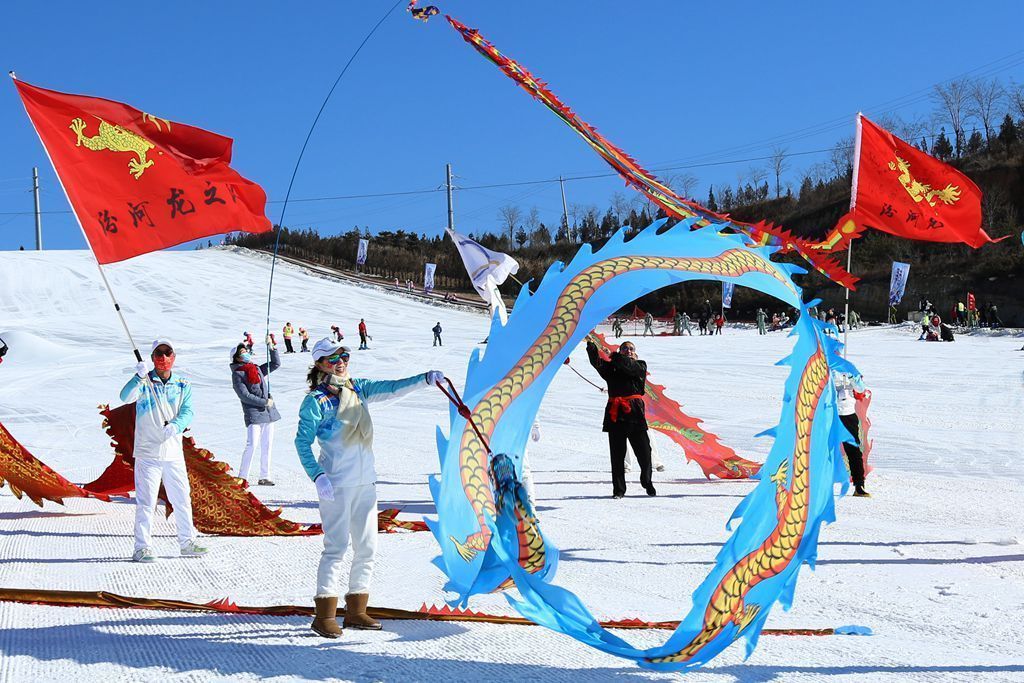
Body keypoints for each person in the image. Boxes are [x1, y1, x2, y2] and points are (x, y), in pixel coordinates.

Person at [295, 337, 442, 638]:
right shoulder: (317, 401)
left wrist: (425, 379)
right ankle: (323, 615)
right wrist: (318, 475)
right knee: (336, 546)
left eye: (344, 355)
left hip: (365, 482)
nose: (340, 361)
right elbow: (301, 442)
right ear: (320, 363)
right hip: (336, 484)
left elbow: (391, 388)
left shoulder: (358, 388)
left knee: (367, 547)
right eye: (333, 358)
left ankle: (356, 610)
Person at [119, 340, 207, 562]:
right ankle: (142, 547)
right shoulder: (145, 382)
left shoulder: (182, 384)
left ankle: (187, 542)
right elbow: (124, 397)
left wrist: (176, 426)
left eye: (167, 353)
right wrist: (137, 378)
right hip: (148, 452)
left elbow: (188, 411)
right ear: (152, 358)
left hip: (173, 452)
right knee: (146, 502)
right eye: (159, 353)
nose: (163, 357)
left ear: (173, 357)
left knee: (181, 499)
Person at [586, 337, 656, 499]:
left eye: (631, 349)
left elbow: (629, 367)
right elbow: (597, 363)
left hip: (635, 413)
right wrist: (591, 345)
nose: (628, 351)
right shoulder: (612, 368)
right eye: (625, 349)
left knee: (645, 452)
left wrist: (615, 355)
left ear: (635, 354)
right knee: (617, 455)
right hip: (615, 414)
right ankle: (619, 490)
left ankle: (647, 482)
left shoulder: (640, 365)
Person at [230, 342, 281, 485]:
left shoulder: (256, 369)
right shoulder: (238, 374)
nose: (246, 353)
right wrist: (264, 402)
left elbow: (275, 364)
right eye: (242, 352)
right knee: (252, 444)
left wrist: (272, 349)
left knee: (267, 445)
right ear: (236, 358)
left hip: (268, 413)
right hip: (254, 413)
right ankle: (242, 476)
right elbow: (244, 395)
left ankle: (265, 476)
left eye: (246, 351)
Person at [834, 370, 870, 497]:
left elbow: (860, 389)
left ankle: (859, 485)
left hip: (848, 414)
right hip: (830, 414)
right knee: (823, 449)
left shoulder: (849, 370)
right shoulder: (824, 369)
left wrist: (853, 377)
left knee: (854, 450)